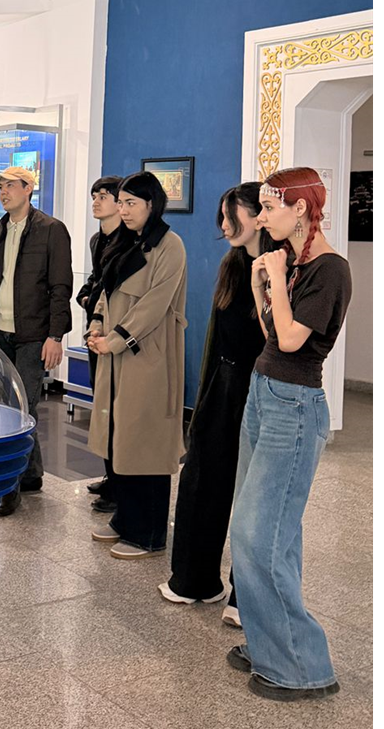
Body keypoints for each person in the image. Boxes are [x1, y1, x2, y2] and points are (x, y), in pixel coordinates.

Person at [227, 167, 351, 701]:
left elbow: (296, 341)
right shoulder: (293, 263)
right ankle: (270, 643)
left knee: (258, 534)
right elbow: (272, 334)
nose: (261, 218)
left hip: (294, 406)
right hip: (266, 393)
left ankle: (302, 666)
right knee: (271, 532)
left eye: (269, 207)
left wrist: (275, 279)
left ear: (300, 208)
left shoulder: (330, 269)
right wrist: (265, 283)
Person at [158, 182, 275, 622]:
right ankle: (194, 580)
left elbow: (277, 338)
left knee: (253, 496)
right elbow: (218, 338)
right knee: (202, 479)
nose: (224, 226)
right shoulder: (233, 263)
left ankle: (247, 599)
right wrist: (206, 395)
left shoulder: (279, 269)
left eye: (231, 216)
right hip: (223, 383)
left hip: (262, 387)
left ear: (259, 216)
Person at [86, 171, 186, 559]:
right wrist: (96, 325)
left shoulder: (169, 246)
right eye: (121, 203)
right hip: (115, 356)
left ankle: (149, 533)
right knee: (119, 438)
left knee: (146, 442)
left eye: (131, 203)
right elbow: (104, 289)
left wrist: (114, 339)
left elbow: (154, 305)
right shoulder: (125, 242)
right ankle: (125, 519)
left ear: (151, 204)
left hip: (148, 356)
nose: (124, 210)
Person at [0, 166, 73, 516]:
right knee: (11, 406)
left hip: (33, 335)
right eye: (0, 187)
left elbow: (61, 286)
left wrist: (55, 336)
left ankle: (10, 487)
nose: (3, 192)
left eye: (9, 186)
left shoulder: (51, 230)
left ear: (29, 188)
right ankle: (31, 474)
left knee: (19, 409)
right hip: (0, 331)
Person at [76, 175, 123, 512]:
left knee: (118, 409)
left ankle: (120, 484)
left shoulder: (129, 242)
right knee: (102, 405)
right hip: (96, 331)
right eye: (94, 195)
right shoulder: (98, 240)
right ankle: (110, 475)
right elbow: (96, 280)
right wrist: (85, 296)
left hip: (117, 335)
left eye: (104, 195)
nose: (96, 201)